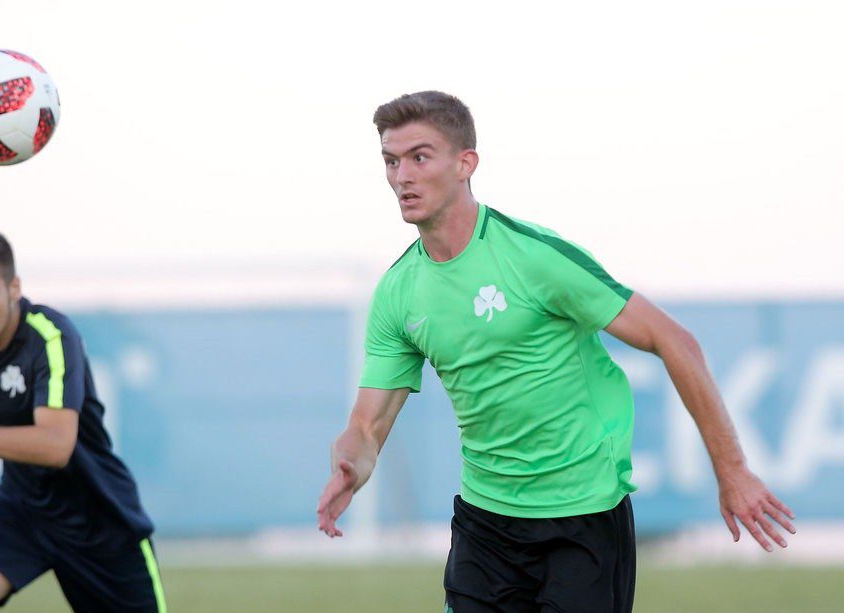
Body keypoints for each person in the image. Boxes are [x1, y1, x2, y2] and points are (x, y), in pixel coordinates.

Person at [316, 91, 795, 612]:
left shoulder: (534, 257)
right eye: (391, 161)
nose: (402, 176)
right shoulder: (398, 292)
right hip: (486, 523)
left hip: (583, 516)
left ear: (465, 164)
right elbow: (367, 426)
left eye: (419, 157)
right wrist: (351, 464)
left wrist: (732, 471)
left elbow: (675, 340)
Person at [0, 229, 166, 612]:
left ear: (14, 288)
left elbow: (56, 447)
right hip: (22, 506)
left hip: (99, 518)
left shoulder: (51, 337)